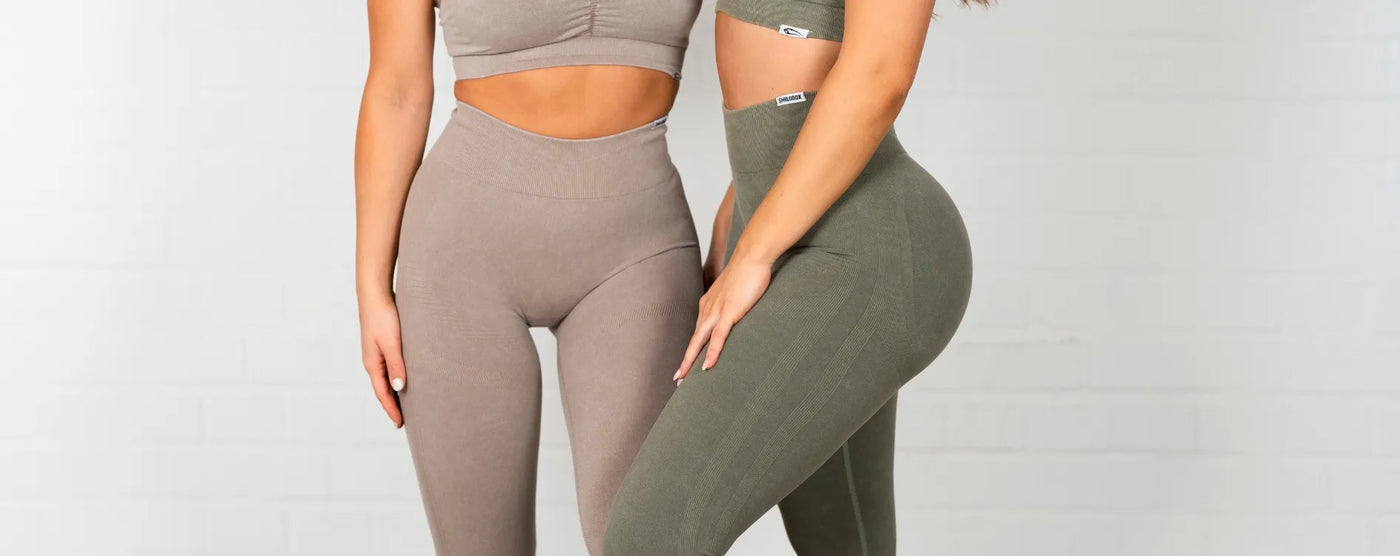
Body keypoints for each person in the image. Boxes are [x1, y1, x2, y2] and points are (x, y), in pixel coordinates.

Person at [605, 0, 984, 554]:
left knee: (650, 538)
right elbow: (780, 114)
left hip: (864, 251)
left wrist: (752, 256)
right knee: (841, 541)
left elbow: (881, 73)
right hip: (782, 230)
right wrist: (736, 234)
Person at [353, 1, 703, 554]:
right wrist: (371, 290)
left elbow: (772, 65)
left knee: (641, 540)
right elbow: (396, 90)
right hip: (463, 252)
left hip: (641, 249)